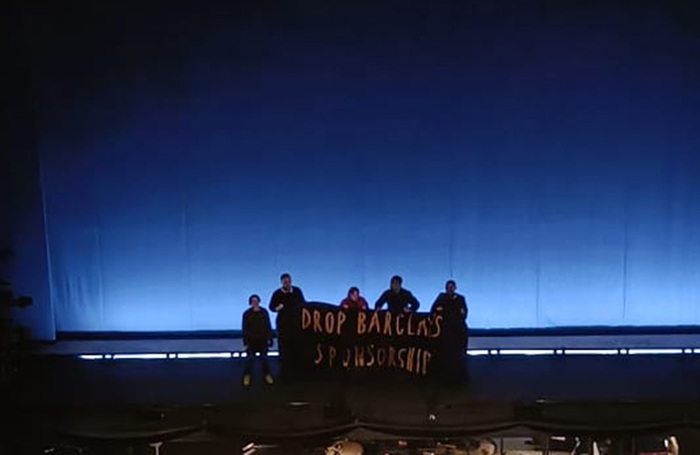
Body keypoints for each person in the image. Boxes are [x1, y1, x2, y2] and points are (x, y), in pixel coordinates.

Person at [268, 273, 306, 371]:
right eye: (285, 282)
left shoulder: (297, 291)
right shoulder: (277, 293)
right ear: (282, 283)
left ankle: (297, 366)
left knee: (296, 344)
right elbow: (271, 307)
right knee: (284, 345)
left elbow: (303, 304)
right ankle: (285, 367)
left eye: (288, 282)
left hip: (296, 323)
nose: (287, 284)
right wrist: (278, 308)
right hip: (283, 324)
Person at [242, 294, 274, 387]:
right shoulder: (247, 314)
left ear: (259, 302)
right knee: (249, 360)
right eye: (253, 301)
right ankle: (247, 376)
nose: (254, 303)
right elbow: (245, 329)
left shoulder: (264, 312)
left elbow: (268, 326)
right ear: (250, 303)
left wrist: (270, 339)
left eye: (256, 301)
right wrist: (246, 342)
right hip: (251, 341)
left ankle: (267, 375)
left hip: (263, 341)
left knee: (264, 360)